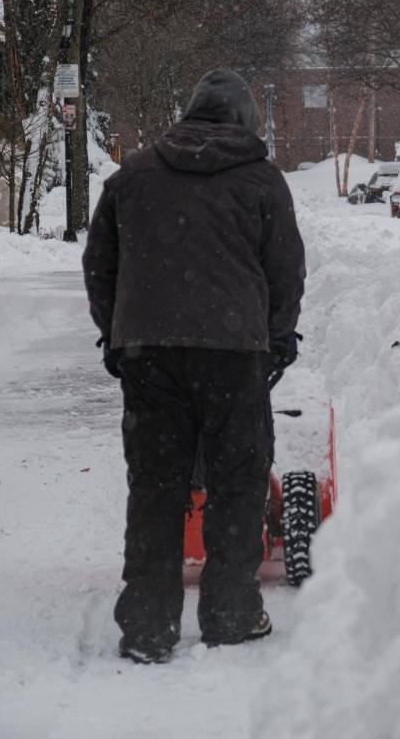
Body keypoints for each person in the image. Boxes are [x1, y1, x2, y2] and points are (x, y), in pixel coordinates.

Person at [83, 69, 307, 664]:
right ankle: (231, 615)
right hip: (234, 356)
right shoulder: (262, 181)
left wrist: (116, 333)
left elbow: (100, 262)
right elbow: (285, 269)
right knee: (237, 483)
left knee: (156, 485)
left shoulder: (131, 177)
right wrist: (278, 338)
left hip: (150, 355)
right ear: (245, 122)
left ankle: (149, 627)